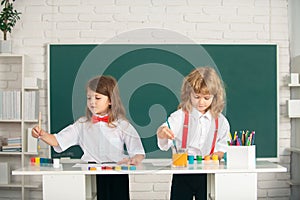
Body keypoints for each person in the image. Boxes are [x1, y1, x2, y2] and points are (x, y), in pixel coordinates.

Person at [32, 75, 145, 200]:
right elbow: (57, 140)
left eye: (97, 98)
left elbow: (138, 151)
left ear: (110, 100)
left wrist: (135, 159)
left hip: (116, 173)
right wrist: (42, 134)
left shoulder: (122, 124)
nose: (92, 102)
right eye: (89, 98)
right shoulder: (82, 124)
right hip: (90, 173)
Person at [156, 67, 230, 200]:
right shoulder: (180, 116)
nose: (201, 102)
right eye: (196, 97)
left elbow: (223, 147)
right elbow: (165, 130)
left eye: (206, 98)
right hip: (182, 171)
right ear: (188, 94)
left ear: (215, 97)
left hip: (208, 173)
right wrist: (162, 133)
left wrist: (217, 155)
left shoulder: (221, 121)